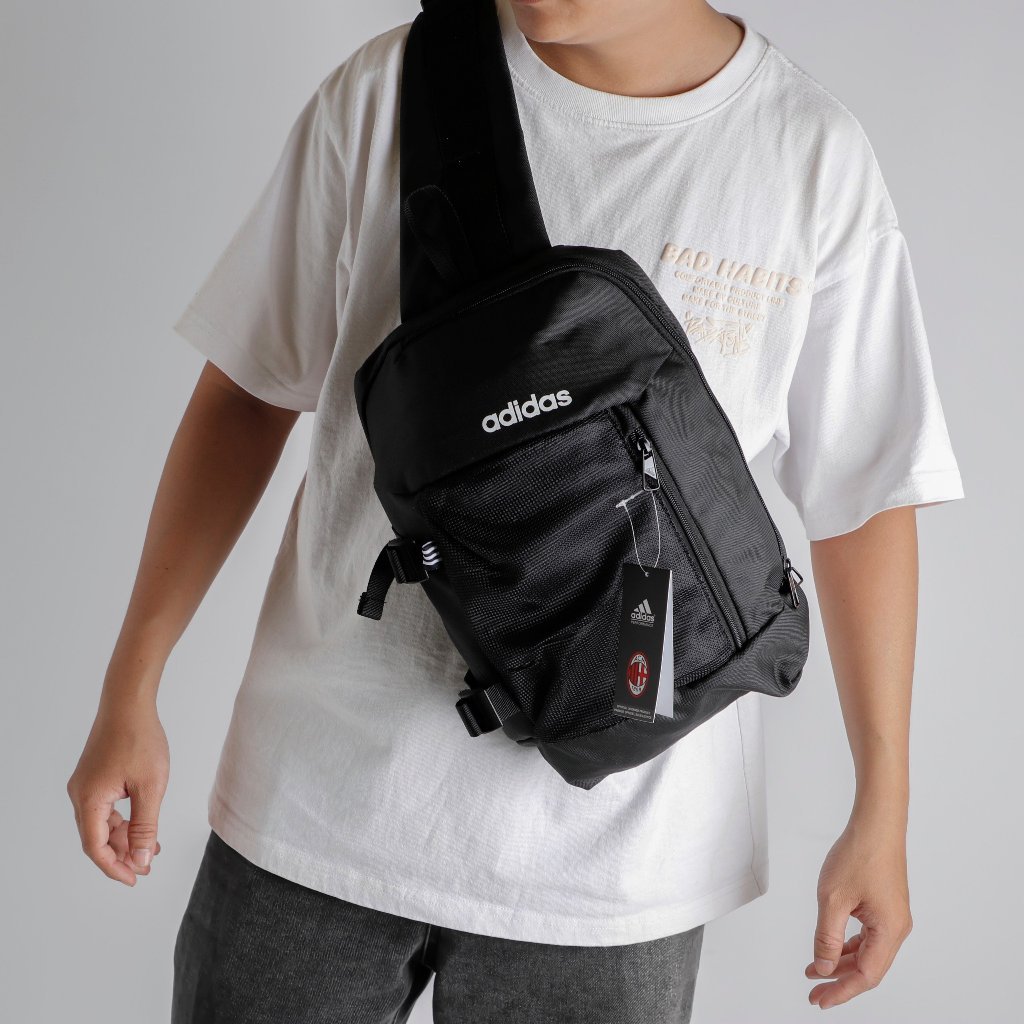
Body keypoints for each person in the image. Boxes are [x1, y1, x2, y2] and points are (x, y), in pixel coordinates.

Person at [65, 0, 964, 1020]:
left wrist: (883, 805)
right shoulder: (396, 83)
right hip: (315, 807)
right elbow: (248, 391)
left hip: (617, 873)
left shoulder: (807, 157)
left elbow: (865, 498)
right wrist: (131, 684)